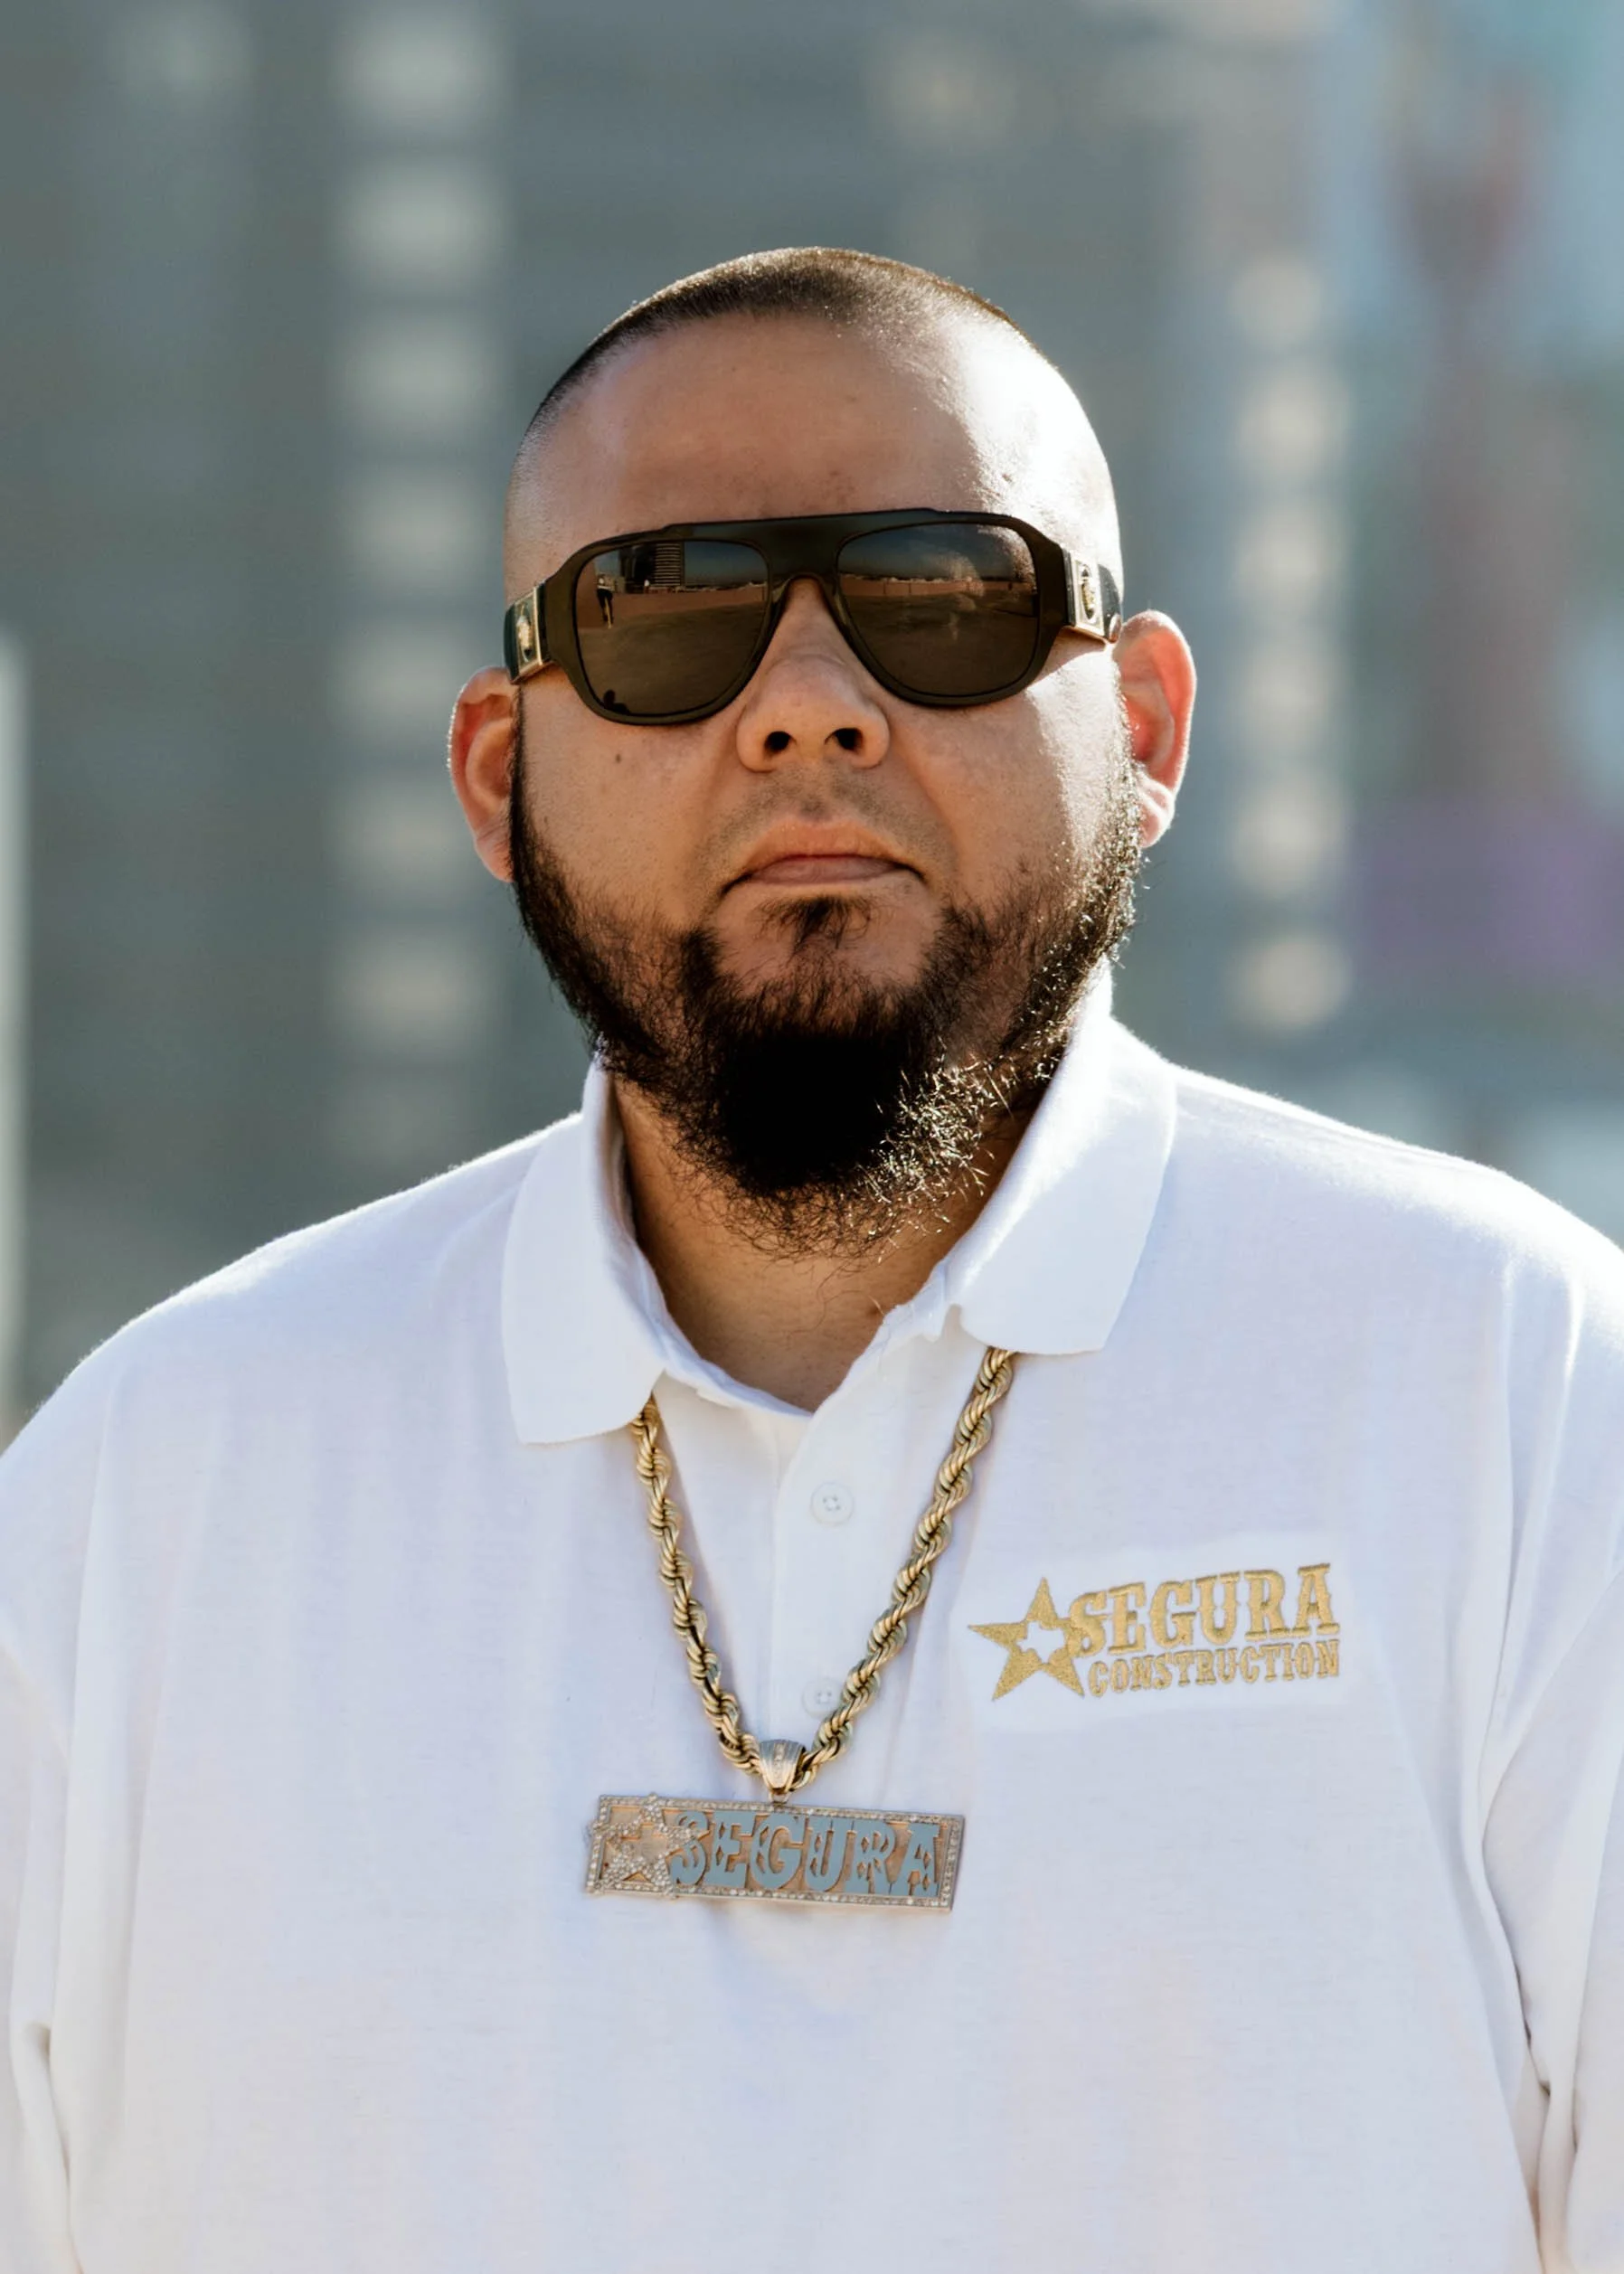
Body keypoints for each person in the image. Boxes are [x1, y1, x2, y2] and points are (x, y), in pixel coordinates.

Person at [1, 247, 1619, 2274]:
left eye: (939, 597)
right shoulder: (153, 1490)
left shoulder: (1520, 1396)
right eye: (669, 613)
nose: (807, 710)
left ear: (1142, 722)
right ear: (501, 778)